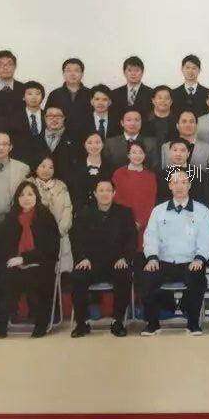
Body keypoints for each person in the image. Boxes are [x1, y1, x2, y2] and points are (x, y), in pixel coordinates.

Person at [142, 168, 209, 336]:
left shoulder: (202, 210)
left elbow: (208, 238)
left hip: (191, 262)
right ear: (169, 186)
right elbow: (150, 235)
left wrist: (200, 259)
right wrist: (152, 258)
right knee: (146, 279)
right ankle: (152, 323)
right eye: (175, 182)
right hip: (163, 262)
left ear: (189, 185)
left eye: (183, 182)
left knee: (197, 281)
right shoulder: (158, 210)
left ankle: (193, 323)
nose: (179, 186)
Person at [69, 178, 136, 337]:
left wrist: (125, 258)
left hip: (116, 262)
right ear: (95, 193)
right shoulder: (84, 214)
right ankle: (82, 323)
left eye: (108, 190)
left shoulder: (125, 213)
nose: (105, 194)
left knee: (124, 274)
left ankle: (117, 321)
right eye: (101, 190)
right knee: (77, 277)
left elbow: (132, 239)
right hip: (91, 263)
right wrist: (82, 258)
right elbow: (76, 239)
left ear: (114, 193)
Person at [0, 181, 60, 338]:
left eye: (30, 194)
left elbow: (50, 249)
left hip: (40, 263)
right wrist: (13, 260)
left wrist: (24, 259)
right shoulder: (10, 218)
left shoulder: (46, 217)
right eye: (22, 195)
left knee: (35, 279)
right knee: (5, 278)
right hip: (14, 264)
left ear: (36, 197)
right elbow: (2, 247)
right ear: (17, 199)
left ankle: (41, 323)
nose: (26, 198)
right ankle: (2, 323)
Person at [112, 141, 158, 260]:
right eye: (134, 152)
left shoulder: (150, 176)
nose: (137, 155)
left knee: (140, 257)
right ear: (128, 155)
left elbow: (151, 202)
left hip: (143, 224)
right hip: (123, 223)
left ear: (145, 155)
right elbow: (117, 199)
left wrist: (140, 222)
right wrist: (129, 222)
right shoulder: (118, 174)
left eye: (140, 152)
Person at [30, 156, 74, 276]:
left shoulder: (61, 185)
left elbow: (67, 209)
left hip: (60, 234)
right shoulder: (29, 184)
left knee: (62, 273)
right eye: (43, 166)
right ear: (36, 167)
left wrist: (59, 231)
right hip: (36, 235)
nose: (47, 170)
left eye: (51, 167)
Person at [44, 58, 93, 140]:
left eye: (76, 70)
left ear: (82, 74)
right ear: (63, 74)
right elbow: (47, 117)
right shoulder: (55, 94)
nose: (72, 74)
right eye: (69, 70)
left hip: (86, 139)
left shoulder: (90, 94)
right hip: (60, 139)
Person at [67, 132, 113, 209]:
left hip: (104, 209)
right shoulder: (76, 166)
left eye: (97, 142)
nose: (94, 146)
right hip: (81, 209)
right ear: (84, 145)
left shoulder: (110, 166)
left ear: (103, 144)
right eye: (90, 143)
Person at [0, 49, 26, 124]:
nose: (5, 67)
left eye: (9, 64)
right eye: (1, 64)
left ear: (15, 66)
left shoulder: (25, 89)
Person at [111, 55, 153, 122]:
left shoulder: (151, 93)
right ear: (124, 72)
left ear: (142, 72)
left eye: (137, 70)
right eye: (129, 70)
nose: (133, 73)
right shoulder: (115, 94)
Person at [171, 54, 209, 119]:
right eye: (187, 68)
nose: (190, 71)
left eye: (194, 68)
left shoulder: (208, 93)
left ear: (199, 70)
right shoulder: (174, 93)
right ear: (182, 69)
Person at [12, 80, 46, 151]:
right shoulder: (14, 117)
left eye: (37, 94)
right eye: (29, 94)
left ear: (42, 97)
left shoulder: (48, 116)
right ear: (23, 97)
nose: (34, 97)